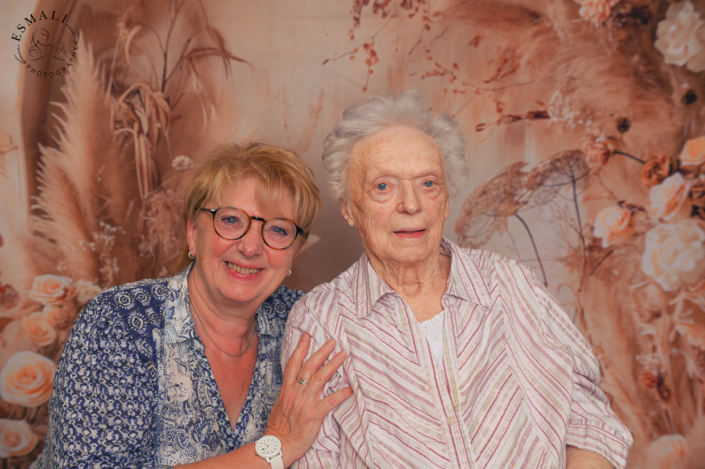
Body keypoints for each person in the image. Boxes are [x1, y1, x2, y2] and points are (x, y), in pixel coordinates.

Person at [282, 91, 633, 469]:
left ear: (446, 200)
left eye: (428, 183)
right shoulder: (320, 321)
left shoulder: (508, 284)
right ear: (350, 207)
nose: (411, 204)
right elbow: (313, 459)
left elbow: (589, 418)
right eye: (383, 186)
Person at [37, 143, 352, 468]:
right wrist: (277, 447)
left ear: (293, 253)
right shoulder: (122, 320)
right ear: (192, 232)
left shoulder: (306, 321)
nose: (251, 246)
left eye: (277, 229)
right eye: (230, 220)